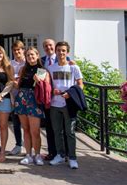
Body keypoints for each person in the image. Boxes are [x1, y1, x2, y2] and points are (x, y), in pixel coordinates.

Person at [48, 41, 83, 169]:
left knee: (70, 132)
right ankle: (60, 155)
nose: (61, 53)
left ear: (67, 52)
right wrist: (52, 91)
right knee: (57, 131)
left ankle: (72, 158)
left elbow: (80, 85)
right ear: (55, 52)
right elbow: (47, 86)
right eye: (59, 50)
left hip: (69, 104)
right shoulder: (51, 68)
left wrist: (70, 94)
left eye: (63, 50)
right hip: (55, 104)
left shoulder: (74, 68)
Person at [13, 47, 49, 166]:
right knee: (26, 129)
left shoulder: (41, 70)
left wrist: (39, 81)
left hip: (34, 100)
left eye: (32, 55)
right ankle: (28, 155)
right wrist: (15, 83)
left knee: (35, 131)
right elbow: (19, 86)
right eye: (28, 55)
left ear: (37, 55)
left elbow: (46, 87)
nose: (30, 57)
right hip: (22, 98)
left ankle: (37, 155)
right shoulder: (23, 69)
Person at [41, 38, 71, 161]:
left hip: (64, 99)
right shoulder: (41, 61)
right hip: (49, 99)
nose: (48, 48)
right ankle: (53, 152)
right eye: (46, 46)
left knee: (65, 128)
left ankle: (67, 153)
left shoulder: (67, 60)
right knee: (50, 127)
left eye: (50, 45)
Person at [8, 40, 25, 156]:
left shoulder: (28, 61)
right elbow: (8, 79)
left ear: (23, 50)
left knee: (28, 123)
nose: (16, 52)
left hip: (27, 97)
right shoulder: (11, 64)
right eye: (14, 50)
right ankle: (18, 145)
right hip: (14, 96)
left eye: (18, 49)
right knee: (16, 123)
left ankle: (29, 146)